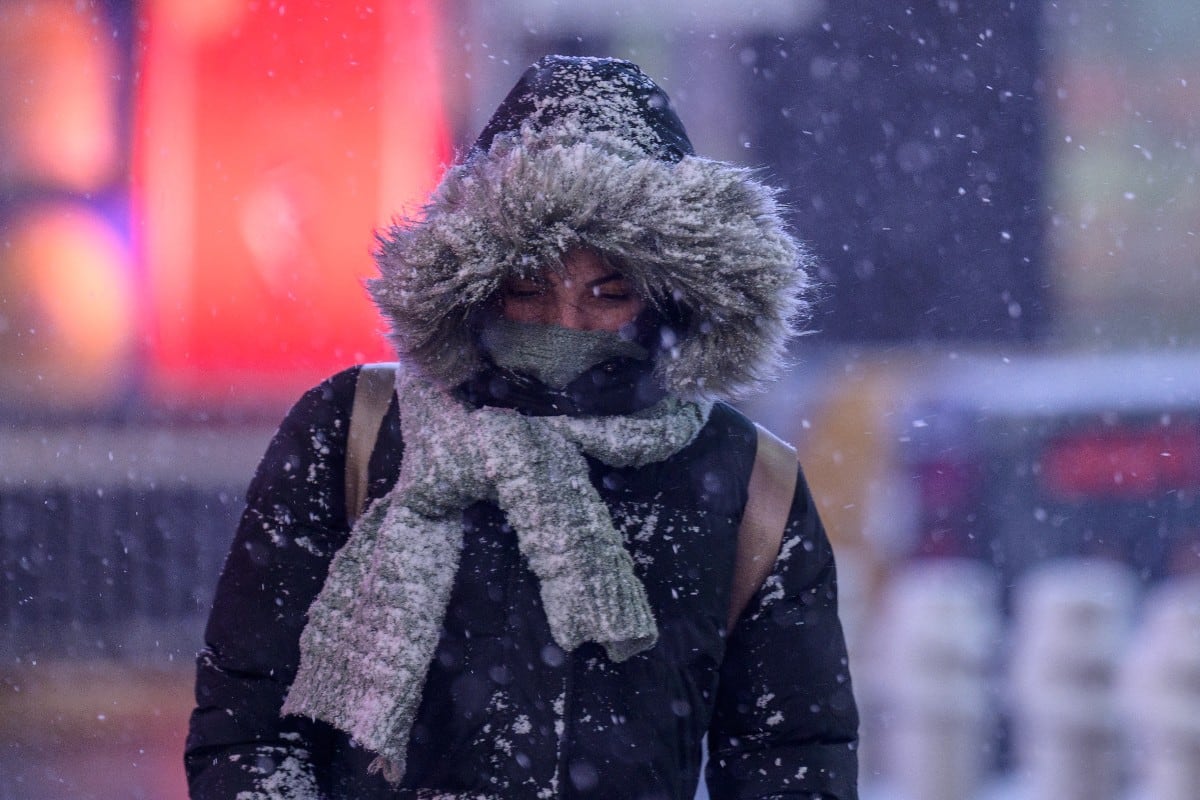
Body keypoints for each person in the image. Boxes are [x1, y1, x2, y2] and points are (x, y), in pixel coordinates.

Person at [185, 55, 859, 800]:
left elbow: (791, 760)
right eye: (528, 288)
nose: (565, 325)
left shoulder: (747, 481)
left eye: (608, 292)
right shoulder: (356, 432)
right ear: (474, 284)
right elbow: (249, 726)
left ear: (670, 295)